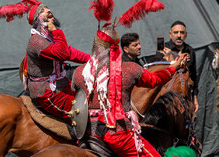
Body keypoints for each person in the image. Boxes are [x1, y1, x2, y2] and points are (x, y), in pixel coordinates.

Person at [73, 25, 187, 157]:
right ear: (116, 47)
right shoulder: (130, 69)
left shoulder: (79, 72)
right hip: (118, 133)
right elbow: (154, 80)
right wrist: (174, 67)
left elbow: (76, 96)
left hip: (88, 133)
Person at [0, 0, 91, 124]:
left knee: (91, 101)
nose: (48, 10)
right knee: (83, 116)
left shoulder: (50, 38)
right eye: (43, 11)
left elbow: (69, 52)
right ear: (38, 20)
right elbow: (61, 53)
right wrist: (57, 32)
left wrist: (94, 60)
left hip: (61, 85)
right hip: (47, 93)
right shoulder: (36, 41)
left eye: (47, 8)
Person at [155, 20, 199, 112]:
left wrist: (195, 98)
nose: (179, 35)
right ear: (170, 34)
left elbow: (193, 76)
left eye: (182, 33)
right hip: (166, 96)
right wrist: (168, 57)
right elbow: (157, 72)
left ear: (185, 34)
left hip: (185, 96)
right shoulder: (163, 47)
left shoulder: (190, 50)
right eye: (176, 32)